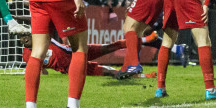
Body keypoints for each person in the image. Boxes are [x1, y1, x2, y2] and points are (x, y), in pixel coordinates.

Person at [19, 33, 148, 77]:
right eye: (20, 38)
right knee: (107, 72)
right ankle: (139, 76)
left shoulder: (42, 38)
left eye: (25, 35)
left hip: (76, 51)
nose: (24, 39)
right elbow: (42, 71)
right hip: (70, 68)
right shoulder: (27, 55)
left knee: (108, 48)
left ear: (31, 34)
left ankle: (141, 40)